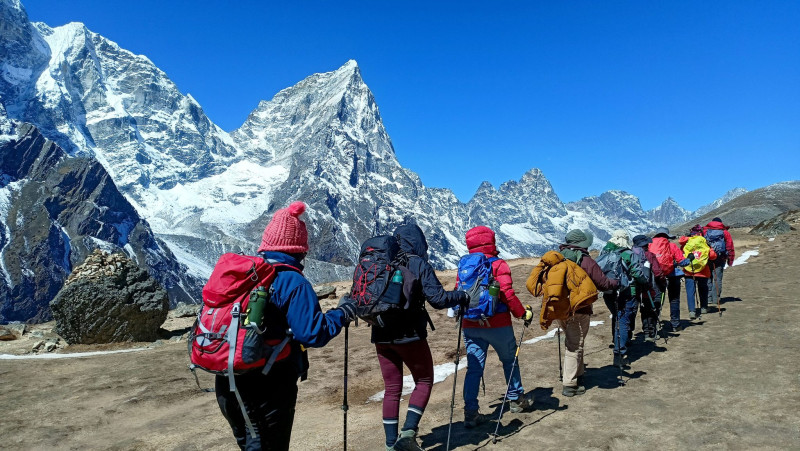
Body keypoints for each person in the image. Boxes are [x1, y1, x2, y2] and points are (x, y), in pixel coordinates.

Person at [215, 201, 356, 451]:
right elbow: (312, 333)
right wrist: (342, 314)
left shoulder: (246, 273)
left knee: (248, 444)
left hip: (227, 378)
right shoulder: (292, 281)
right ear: (299, 248)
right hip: (268, 382)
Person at [374, 223, 469, 451]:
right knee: (424, 380)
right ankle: (407, 434)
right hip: (410, 335)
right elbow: (438, 299)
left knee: (392, 388)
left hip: (380, 334)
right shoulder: (418, 263)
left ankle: (390, 445)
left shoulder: (382, 262)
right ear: (418, 242)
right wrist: (461, 296)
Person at [457, 226, 534, 427]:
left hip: (471, 323)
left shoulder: (465, 266)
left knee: (474, 368)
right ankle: (516, 399)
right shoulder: (498, 264)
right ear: (491, 240)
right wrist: (522, 313)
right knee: (509, 360)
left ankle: (470, 411)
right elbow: (506, 293)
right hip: (498, 323)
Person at [558, 229, 618, 396]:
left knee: (575, 341)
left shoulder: (557, 258)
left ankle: (579, 374)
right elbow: (603, 283)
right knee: (575, 344)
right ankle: (570, 384)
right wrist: (616, 283)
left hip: (559, 309)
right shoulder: (586, 261)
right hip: (580, 309)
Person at [600, 230, 648, 368]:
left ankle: (617, 343)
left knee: (616, 316)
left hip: (609, 291)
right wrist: (644, 280)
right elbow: (636, 272)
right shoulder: (628, 253)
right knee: (623, 319)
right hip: (627, 291)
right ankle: (620, 353)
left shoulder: (605, 252)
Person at [649, 227, 691, 332]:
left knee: (657, 300)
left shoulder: (649, 245)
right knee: (674, 300)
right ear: (667, 236)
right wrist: (690, 259)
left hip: (656, 276)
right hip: (672, 276)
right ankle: (675, 324)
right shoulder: (671, 246)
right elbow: (682, 262)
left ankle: (654, 326)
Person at [631, 235, 666, 342]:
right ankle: (651, 332)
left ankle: (646, 332)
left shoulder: (630, 254)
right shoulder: (650, 255)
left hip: (636, 289)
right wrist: (663, 283)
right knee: (652, 308)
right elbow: (657, 272)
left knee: (644, 311)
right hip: (650, 287)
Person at [679, 225, 718, 319]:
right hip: (703, 271)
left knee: (690, 291)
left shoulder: (686, 243)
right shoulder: (704, 242)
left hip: (689, 271)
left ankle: (692, 311)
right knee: (703, 289)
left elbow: (681, 255)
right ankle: (704, 308)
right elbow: (713, 256)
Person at [703, 217, 736, 310]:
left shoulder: (705, 231)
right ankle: (716, 299)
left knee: (708, 278)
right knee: (718, 279)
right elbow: (730, 247)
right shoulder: (725, 232)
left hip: (708, 258)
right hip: (720, 258)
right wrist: (730, 260)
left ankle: (708, 298)